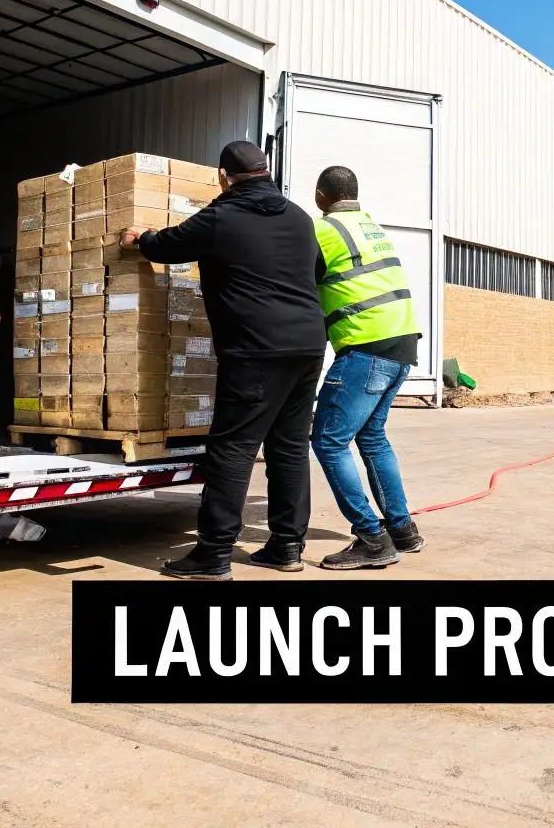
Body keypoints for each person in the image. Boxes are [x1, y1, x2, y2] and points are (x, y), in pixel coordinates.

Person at [120, 141, 327, 581]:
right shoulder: (299, 218)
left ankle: (212, 553)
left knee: (232, 448)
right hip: (308, 343)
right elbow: (318, 272)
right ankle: (286, 546)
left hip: (255, 347)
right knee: (289, 447)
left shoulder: (222, 217)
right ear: (266, 172)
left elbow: (168, 246)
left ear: (222, 175)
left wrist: (142, 239)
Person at [307, 165, 426, 570]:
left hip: (365, 346)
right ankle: (403, 530)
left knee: (328, 441)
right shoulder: (369, 226)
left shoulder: (322, 230)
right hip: (401, 343)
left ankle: (371, 538)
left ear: (322, 195)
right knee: (372, 437)